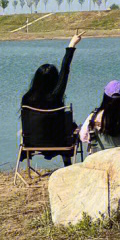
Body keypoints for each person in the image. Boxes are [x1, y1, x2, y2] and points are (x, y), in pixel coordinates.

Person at [20, 32, 83, 166]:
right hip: (59, 141)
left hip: (32, 142)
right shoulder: (55, 96)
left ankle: (28, 168)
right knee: (70, 125)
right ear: (54, 80)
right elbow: (65, 69)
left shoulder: (26, 99)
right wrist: (72, 44)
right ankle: (67, 164)